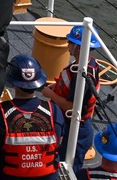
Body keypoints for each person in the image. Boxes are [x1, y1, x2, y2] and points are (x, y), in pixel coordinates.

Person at [0, 54, 65, 180]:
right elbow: (59, 142)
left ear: (13, 83)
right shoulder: (54, 110)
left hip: (10, 177)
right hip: (48, 176)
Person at [42, 25, 102, 178]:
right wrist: (57, 86)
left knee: (68, 167)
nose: (67, 45)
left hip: (76, 130)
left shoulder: (83, 75)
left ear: (80, 47)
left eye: (71, 42)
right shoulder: (85, 65)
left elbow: (72, 107)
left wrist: (50, 93)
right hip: (69, 125)